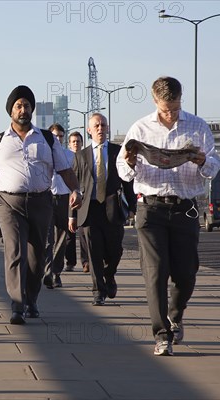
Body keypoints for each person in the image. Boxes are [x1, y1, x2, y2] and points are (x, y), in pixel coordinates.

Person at [117, 76, 220, 356]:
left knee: (186, 273)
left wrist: (202, 161)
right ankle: (161, 334)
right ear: (155, 102)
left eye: (175, 108)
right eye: (165, 109)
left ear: (180, 100)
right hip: (150, 208)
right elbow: (123, 170)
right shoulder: (140, 128)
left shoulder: (197, 126)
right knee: (156, 272)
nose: (171, 114)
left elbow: (214, 163)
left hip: (185, 207)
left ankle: (176, 314)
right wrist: (129, 162)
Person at [0, 85, 82, 325]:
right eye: (18, 106)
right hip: (8, 203)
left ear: (32, 110)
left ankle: (31, 300)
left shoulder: (47, 138)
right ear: (11, 111)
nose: (23, 109)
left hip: (41, 202)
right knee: (15, 250)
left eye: (27, 105)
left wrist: (76, 190)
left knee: (37, 256)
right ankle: (17, 304)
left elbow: (64, 169)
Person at [70, 113, 137, 307]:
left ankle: (110, 275)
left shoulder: (118, 151)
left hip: (112, 207)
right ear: (89, 130)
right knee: (93, 252)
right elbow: (73, 186)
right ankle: (98, 290)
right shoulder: (81, 156)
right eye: (96, 126)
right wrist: (71, 215)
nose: (100, 129)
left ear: (107, 128)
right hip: (89, 210)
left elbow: (128, 180)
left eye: (103, 125)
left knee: (115, 250)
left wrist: (132, 207)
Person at [43, 124, 75, 288]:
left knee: (62, 239)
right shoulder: (43, 153)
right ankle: (47, 271)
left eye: (61, 136)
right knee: (48, 238)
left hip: (64, 199)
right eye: (55, 136)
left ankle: (56, 272)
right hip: (47, 197)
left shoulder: (70, 155)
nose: (58, 139)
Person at [64, 131, 90, 273]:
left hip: (83, 199)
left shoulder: (86, 157)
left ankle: (86, 261)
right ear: (69, 144)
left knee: (84, 233)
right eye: (73, 141)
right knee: (70, 233)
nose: (76, 143)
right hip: (68, 197)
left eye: (78, 141)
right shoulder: (66, 158)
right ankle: (70, 261)